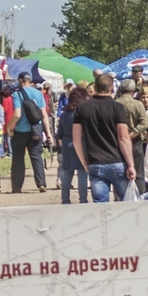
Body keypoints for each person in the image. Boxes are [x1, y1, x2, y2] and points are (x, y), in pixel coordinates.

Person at [71, 73, 134, 203]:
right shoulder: (117, 107)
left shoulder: (82, 108)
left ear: (95, 86)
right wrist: (131, 164)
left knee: (100, 206)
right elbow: (123, 137)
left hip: (96, 162)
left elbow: (76, 139)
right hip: (117, 161)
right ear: (111, 88)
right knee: (126, 204)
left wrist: (84, 163)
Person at [9, 74, 47, 193]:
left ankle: (17, 186)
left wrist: (9, 126)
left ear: (20, 80)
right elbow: (44, 114)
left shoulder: (17, 94)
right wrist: (48, 133)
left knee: (18, 158)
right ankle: (41, 183)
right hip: (36, 129)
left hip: (21, 130)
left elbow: (17, 114)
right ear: (30, 80)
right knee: (36, 156)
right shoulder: (38, 93)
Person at [57, 84, 90, 204]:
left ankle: (65, 199)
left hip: (67, 143)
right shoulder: (83, 114)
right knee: (82, 174)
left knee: (66, 173)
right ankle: (83, 199)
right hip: (81, 143)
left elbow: (59, 134)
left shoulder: (64, 114)